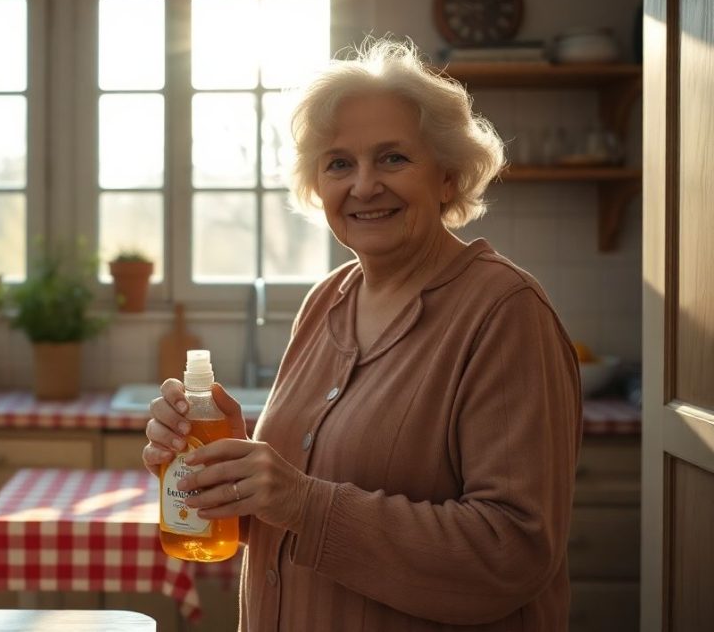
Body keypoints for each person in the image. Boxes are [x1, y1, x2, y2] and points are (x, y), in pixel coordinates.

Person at [143, 38, 581, 631]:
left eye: (393, 158)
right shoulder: (327, 299)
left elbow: (512, 552)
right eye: (339, 163)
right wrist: (229, 473)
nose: (364, 186)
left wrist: (301, 500)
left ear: (448, 177)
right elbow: (293, 515)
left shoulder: (505, 312)